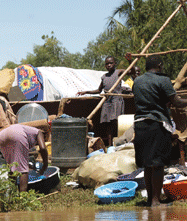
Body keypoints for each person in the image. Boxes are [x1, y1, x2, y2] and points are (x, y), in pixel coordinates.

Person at [133, 55, 187, 207]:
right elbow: (176, 101)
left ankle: (151, 199)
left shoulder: (137, 81)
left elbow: (149, 99)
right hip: (156, 124)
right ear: (159, 65)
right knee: (158, 164)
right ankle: (156, 201)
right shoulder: (163, 80)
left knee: (148, 164)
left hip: (140, 124)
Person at [77, 56, 129, 147]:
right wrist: (86, 92)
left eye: (111, 63)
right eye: (107, 64)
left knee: (116, 123)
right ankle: (110, 146)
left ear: (115, 64)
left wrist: (130, 61)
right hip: (107, 102)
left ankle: (119, 144)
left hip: (116, 101)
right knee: (108, 125)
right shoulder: (104, 77)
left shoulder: (118, 72)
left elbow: (130, 71)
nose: (109, 65)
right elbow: (98, 90)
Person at [0, 124, 48, 192]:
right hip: (17, 134)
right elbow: (43, 148)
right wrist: (45, 164)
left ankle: (12, 194)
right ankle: (23, 197)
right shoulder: (39, 132)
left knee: (11, 166)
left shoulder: (29, 131)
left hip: (2, 136)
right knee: (23, 169)